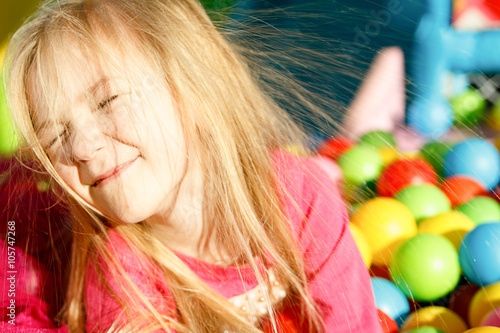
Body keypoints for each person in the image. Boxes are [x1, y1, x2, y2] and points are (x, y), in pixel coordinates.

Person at [3, 0, 382, 331]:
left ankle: (378, 101)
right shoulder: (121, 275)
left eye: (108, 101)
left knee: (359, 139)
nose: (82, 147)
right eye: (55, 138)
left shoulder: (301, 196)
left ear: (193, 88)